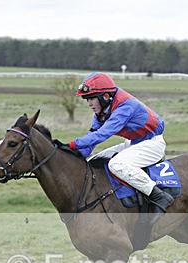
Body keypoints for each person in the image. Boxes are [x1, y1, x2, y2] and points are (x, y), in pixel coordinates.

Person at [68, 72, 173, 223]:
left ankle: (159, 197)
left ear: (105, 96)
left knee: (116, 164)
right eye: (87, 100)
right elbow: (92, 138)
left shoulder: (125, 107)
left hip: (152, 144)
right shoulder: (102, 111)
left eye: (91, 99)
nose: (89, 104)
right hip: (134, 142)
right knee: (94, 160)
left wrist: (72, 144)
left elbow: (102, 134)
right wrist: (77, 156)